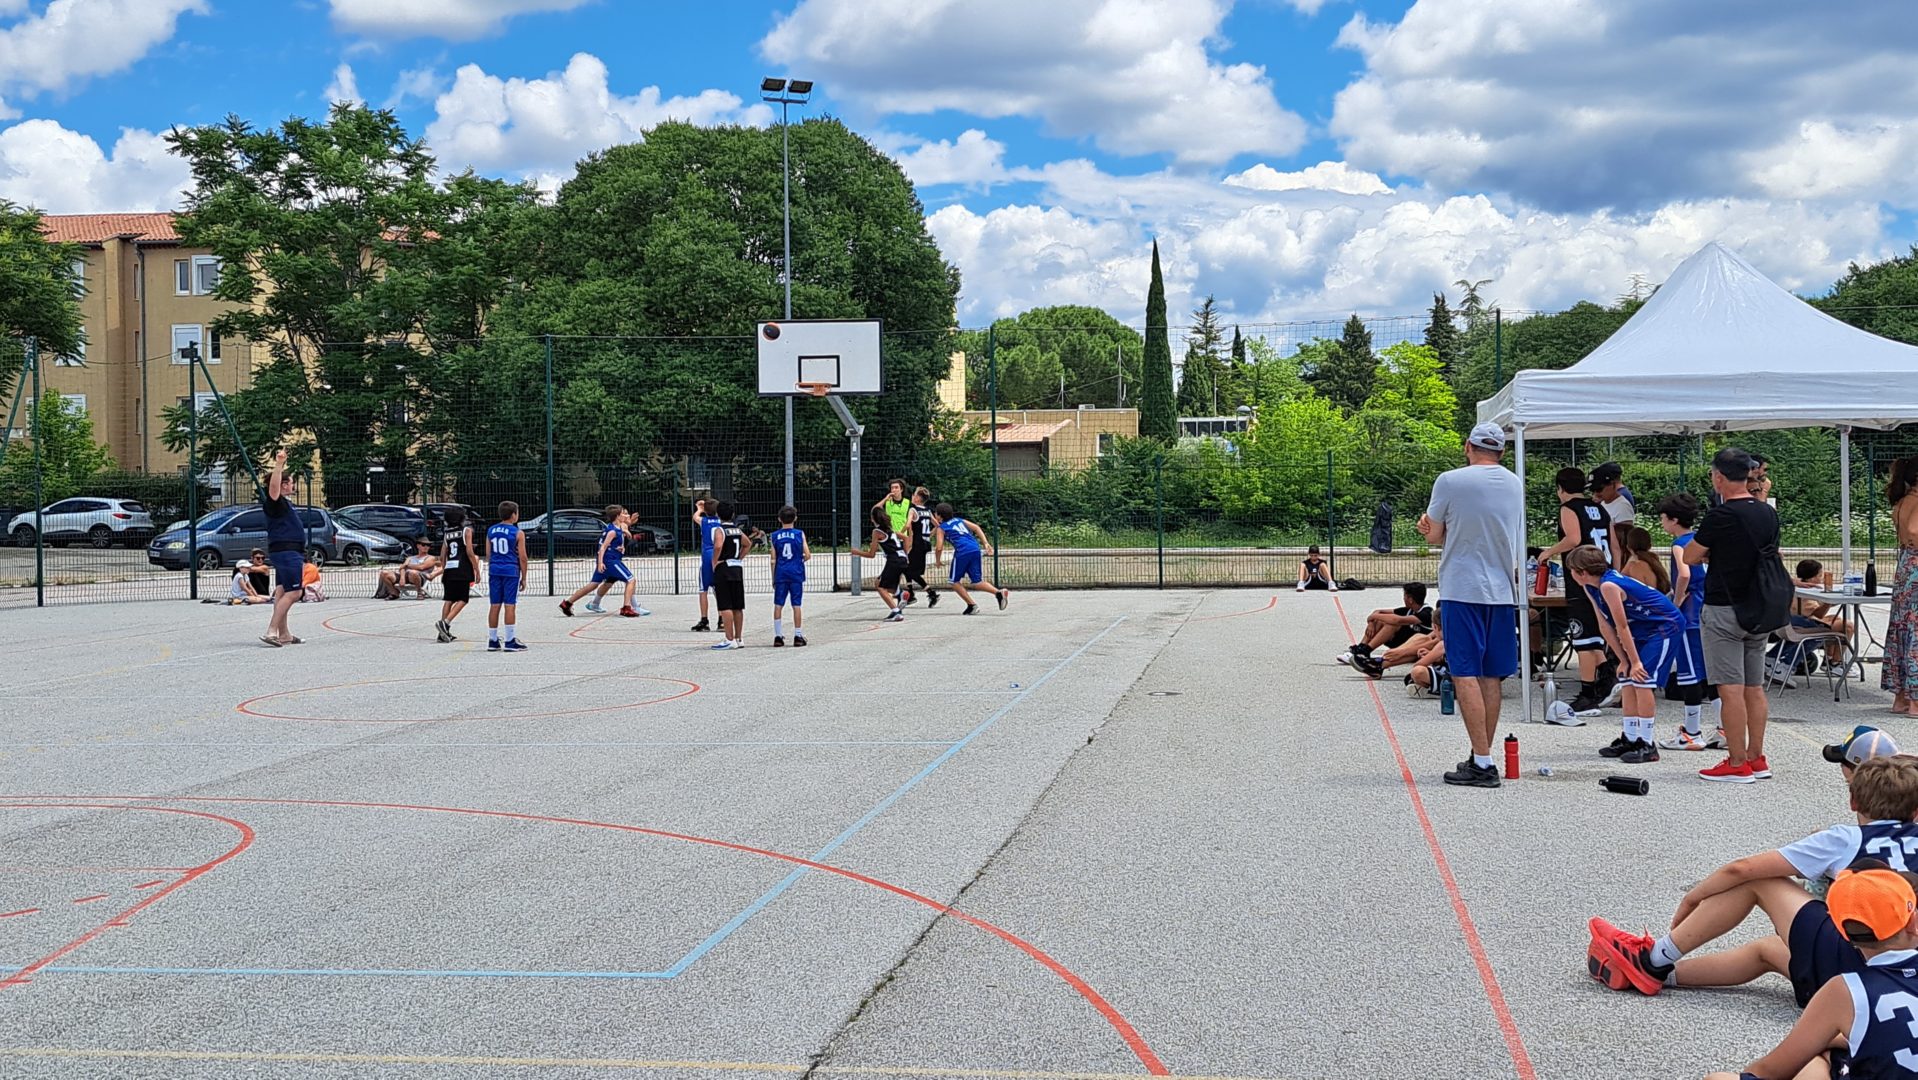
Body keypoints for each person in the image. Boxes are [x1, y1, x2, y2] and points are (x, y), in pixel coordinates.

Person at [1588, 754, 1918, 1002]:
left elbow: (1742, 868)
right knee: (1768, 950)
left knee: (1759, 881)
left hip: (1852, 963)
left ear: (1853, 801)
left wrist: (1693, 897)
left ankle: (1652, 960)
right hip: (1901, 979)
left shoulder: (1845, 838)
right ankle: (1656, 975)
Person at [1701, 866, 1918, 1080]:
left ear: (1843, 932)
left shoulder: (1844, 990)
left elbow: (1768, 1071)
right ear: (1913, 922)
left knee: (1718, 1078)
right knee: (1828, 1057)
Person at [1417, 422, 1525, 789]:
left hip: (1462, 587)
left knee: (1464, 672)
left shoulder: (1450, 480)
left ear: (1468, 446)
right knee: (1491, 675)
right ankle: (1483, 756)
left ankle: (1483, 762)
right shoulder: (1514, 483)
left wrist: (1431, 528)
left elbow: (1434, 535)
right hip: (1502, 590)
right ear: (1502, 452)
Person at [1686, 447, 1783, 783]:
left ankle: (1737, 761)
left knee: (1730, 689)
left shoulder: (1721, 515)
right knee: (1754, 687)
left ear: (1719, 477)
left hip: (1724, 607)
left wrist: (1712, 553)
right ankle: (1757, 758)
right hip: (1758, 607)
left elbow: (1691, 555)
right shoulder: (1767, 512)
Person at [1568, 544, 1682, 764]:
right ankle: (1630, 737)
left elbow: (1621, 626)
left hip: (1664, 626)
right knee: (1627, 679)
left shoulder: (1609, 586)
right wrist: (1623, 660)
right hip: (1642, 627)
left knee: (1642, 680)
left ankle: (1647, 743)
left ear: (1581, 572)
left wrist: (1635, 661)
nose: (1571, 574)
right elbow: (1605, 625)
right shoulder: (1591, 587)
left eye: (1572, 570)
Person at [1537, 467, 1616, 715]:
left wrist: (1548, 552)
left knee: (1582, 638)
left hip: (1582, 576)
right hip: (1605, 574)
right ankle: (1609, 679)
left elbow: (1573, 539)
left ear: (1560, 488)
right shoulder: (1600, 508)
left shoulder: (1568, 508)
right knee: (1595, 635)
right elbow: (1614, 545)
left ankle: (1588, 693)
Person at [1656, 493, 1722, 753]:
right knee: (1712, 674)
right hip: (1709, 610)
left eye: (1663, 518)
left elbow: (1683, 574)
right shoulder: (1702, 542)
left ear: (1673, 520)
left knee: (1690, 675)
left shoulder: (1679, 545)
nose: (1661, 522)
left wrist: (1676, 600)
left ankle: (1691, 733)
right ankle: (1725, 729)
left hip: (1690, 615)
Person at [560, 505, 647, 619]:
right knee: (631, 580)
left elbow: (623, 528)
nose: (625, 515)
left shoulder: (615, 527)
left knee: (593, 585)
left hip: (607, 560)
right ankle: (626, 608)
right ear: (617, 516)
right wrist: (601, 563)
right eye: (623, 513)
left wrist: (620, 545)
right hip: (610, 561)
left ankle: (567, 603)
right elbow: (602, 548)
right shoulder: (613, 531)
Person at [258, 449, 306, 647]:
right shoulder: (275, 502)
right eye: (291, 482)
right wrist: (279, 464)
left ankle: (284, 633)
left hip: (289, 552)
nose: (293, 486)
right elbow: (273, 488)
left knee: (281, 591)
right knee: (295, 593)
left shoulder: (285, 504)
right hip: (287, 552)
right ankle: (271, 631)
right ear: (284, 484)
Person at [932, 503, 1010, 614]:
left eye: (936, 513)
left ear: (939, 516)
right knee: (977, 581)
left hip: (962, 551)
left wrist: (938, 561)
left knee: (954, 581)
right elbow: (976, 527)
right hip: (975, 549)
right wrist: (985, 543)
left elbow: (939, 547)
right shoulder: (959, 520)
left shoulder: (942, 528)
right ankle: (998, 593)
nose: (935, 515)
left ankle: (972, 605)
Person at [1886, 456, 1918, 716]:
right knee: (1915, 629)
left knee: (1902, 626)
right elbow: (1915, 531)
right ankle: (1915, 700)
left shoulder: (1903, 500)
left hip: (1906, 563)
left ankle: (1901, 697)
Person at [1340, 582, 1433, 666]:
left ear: (1410, 599)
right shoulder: (1410, 609)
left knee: (1392, 624)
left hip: (1417, 647)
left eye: (1405, 596)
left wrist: (1373, 617)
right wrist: (1372, 622)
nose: (1403, 598)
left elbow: (1397, 620)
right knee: (1380, 620)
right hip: (1405, 641)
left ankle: (1365, 651)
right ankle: (1361, 648)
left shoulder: (1426, 613)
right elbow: (1379, 611)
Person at [1789, 559, 1853, 671]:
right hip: (1803, 626)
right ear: (1812, 578)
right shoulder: (1804, 594)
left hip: (1795, 622)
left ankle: (1828, 658)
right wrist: (1829, 602)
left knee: (1836, 618)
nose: (1822, 578)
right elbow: (1819, 614)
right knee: (1848, 626)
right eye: (1820, 575)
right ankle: (1835, 663)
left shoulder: (1798, 586)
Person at [853, 505, 910, 623]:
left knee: (881, 587)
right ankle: (899, 593)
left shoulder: (877, 532)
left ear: (873, 518)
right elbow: (906, 538)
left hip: (893, 561)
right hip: (902, 559)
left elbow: (871, 554)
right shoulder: (890, 529)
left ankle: (896, 612)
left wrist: (856, 552)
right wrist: (906, 553)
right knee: (879, 582)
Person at [486, 501, 528, 652]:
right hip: (510, 570)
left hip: (494, 570)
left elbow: (488, 554)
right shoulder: (517, 533)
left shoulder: (491, 530)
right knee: (510, 605)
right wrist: (524, 577)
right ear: (514, 515)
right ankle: (510, 640)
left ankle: (492, 640)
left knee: (494, 605)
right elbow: (523, 557)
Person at [710, 500, 749, 650]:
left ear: (718, 514)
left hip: (724, 567)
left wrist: (715, 561)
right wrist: (739, 557)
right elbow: (747, 543)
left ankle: (729, 638)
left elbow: (718, 545)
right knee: (738, 606)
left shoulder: (720, 530)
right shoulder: (737, 530)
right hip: (736, 568)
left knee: (725, 604)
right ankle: (739, 638)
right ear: (732, 514)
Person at [769, 505, 809, 646]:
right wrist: (799, 560)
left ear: (779, 519)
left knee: (778, 604)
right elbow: (807, 554)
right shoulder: (799, 534)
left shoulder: (774, 536)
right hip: (796, 572)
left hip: (781, 573)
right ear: (795, 518)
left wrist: (773, 578)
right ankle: (798, 635)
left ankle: (778, 636)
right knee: (796, 604)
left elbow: (773, 559)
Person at [435, 505, 475, 643]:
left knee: (449, 599)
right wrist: (475, 568)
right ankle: (445, 623)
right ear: (462, 518)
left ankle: (443, 633)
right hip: (462, 568)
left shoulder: (447, 534)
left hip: (450, 569)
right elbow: (469, 552)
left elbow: (442, 555)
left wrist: (444, 568)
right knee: (463, 599)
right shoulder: (466, 531)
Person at [1590, 462, 1635, 569]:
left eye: (1599, 489)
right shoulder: (1602, 503)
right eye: (1593, 490)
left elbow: (1623, 541)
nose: (1596, 494)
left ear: (1613, 485)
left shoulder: (1622, 506)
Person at [901, 486, 940, 608]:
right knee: (906, 567)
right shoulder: (928, 511)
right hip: (925, 543)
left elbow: (908, 525)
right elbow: (938, 525)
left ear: (917, 498)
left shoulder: (913, 510)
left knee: (911, 571)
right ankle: (911, 594)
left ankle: (931, 593)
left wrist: (899, 533)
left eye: (914, 494)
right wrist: (929, 535)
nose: (912, 496)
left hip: (917, 543)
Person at [691, 497, 719, 633]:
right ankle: (722, 620)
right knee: (719, 589)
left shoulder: (704, 521)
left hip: (707, 557)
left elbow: (695, 517)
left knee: (703, 589)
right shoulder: (721, 522)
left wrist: (699, 509)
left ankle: (704, 620)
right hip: (719, 555)